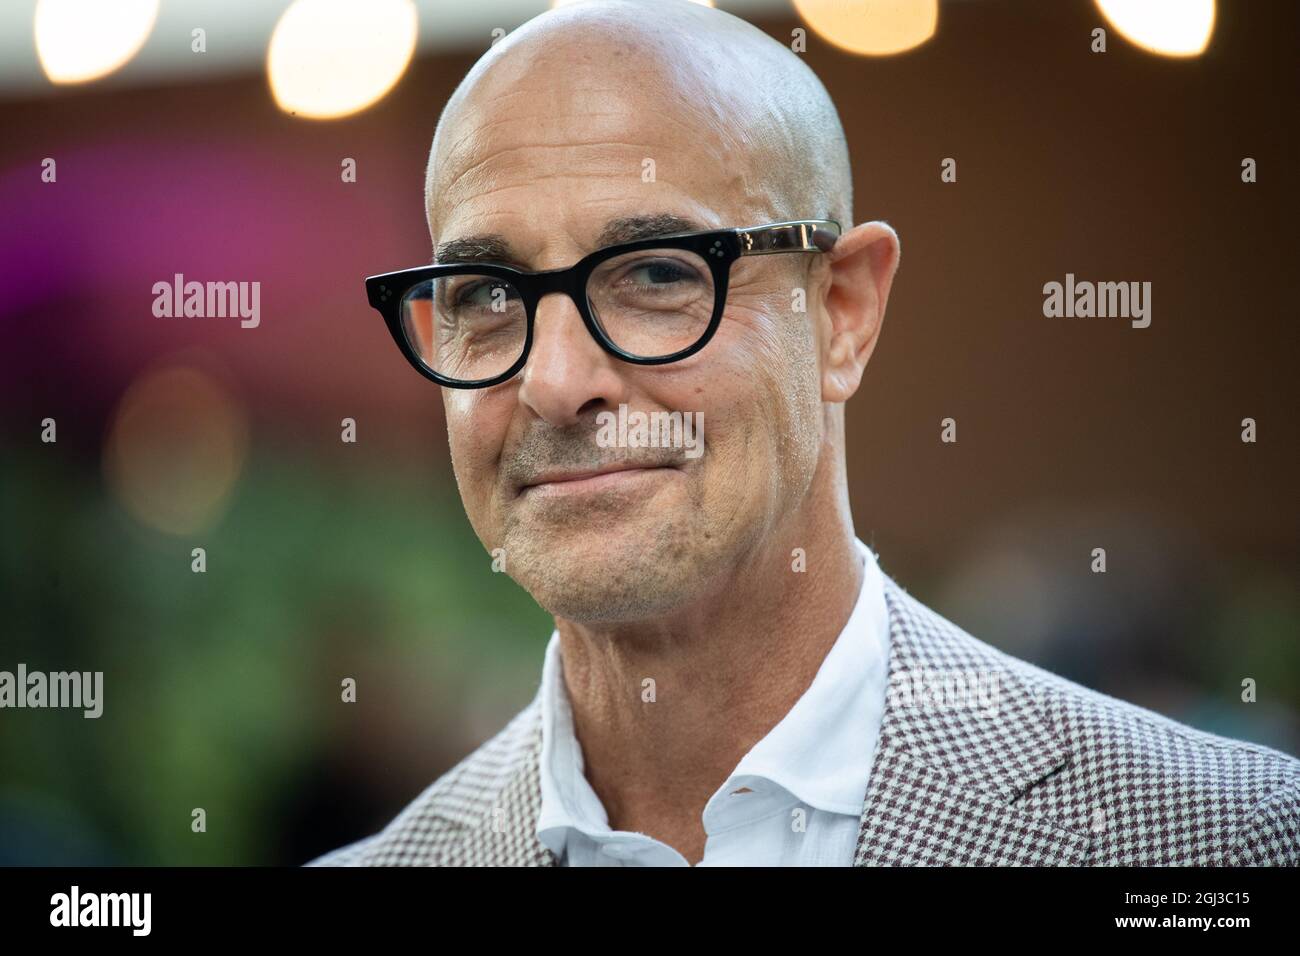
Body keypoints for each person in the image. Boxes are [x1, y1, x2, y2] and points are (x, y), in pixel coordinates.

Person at [307, 0, 1299, 866]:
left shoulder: (1223, 837)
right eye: (487, 292)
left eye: (656, 272)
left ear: (841, 313)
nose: (556, 380)